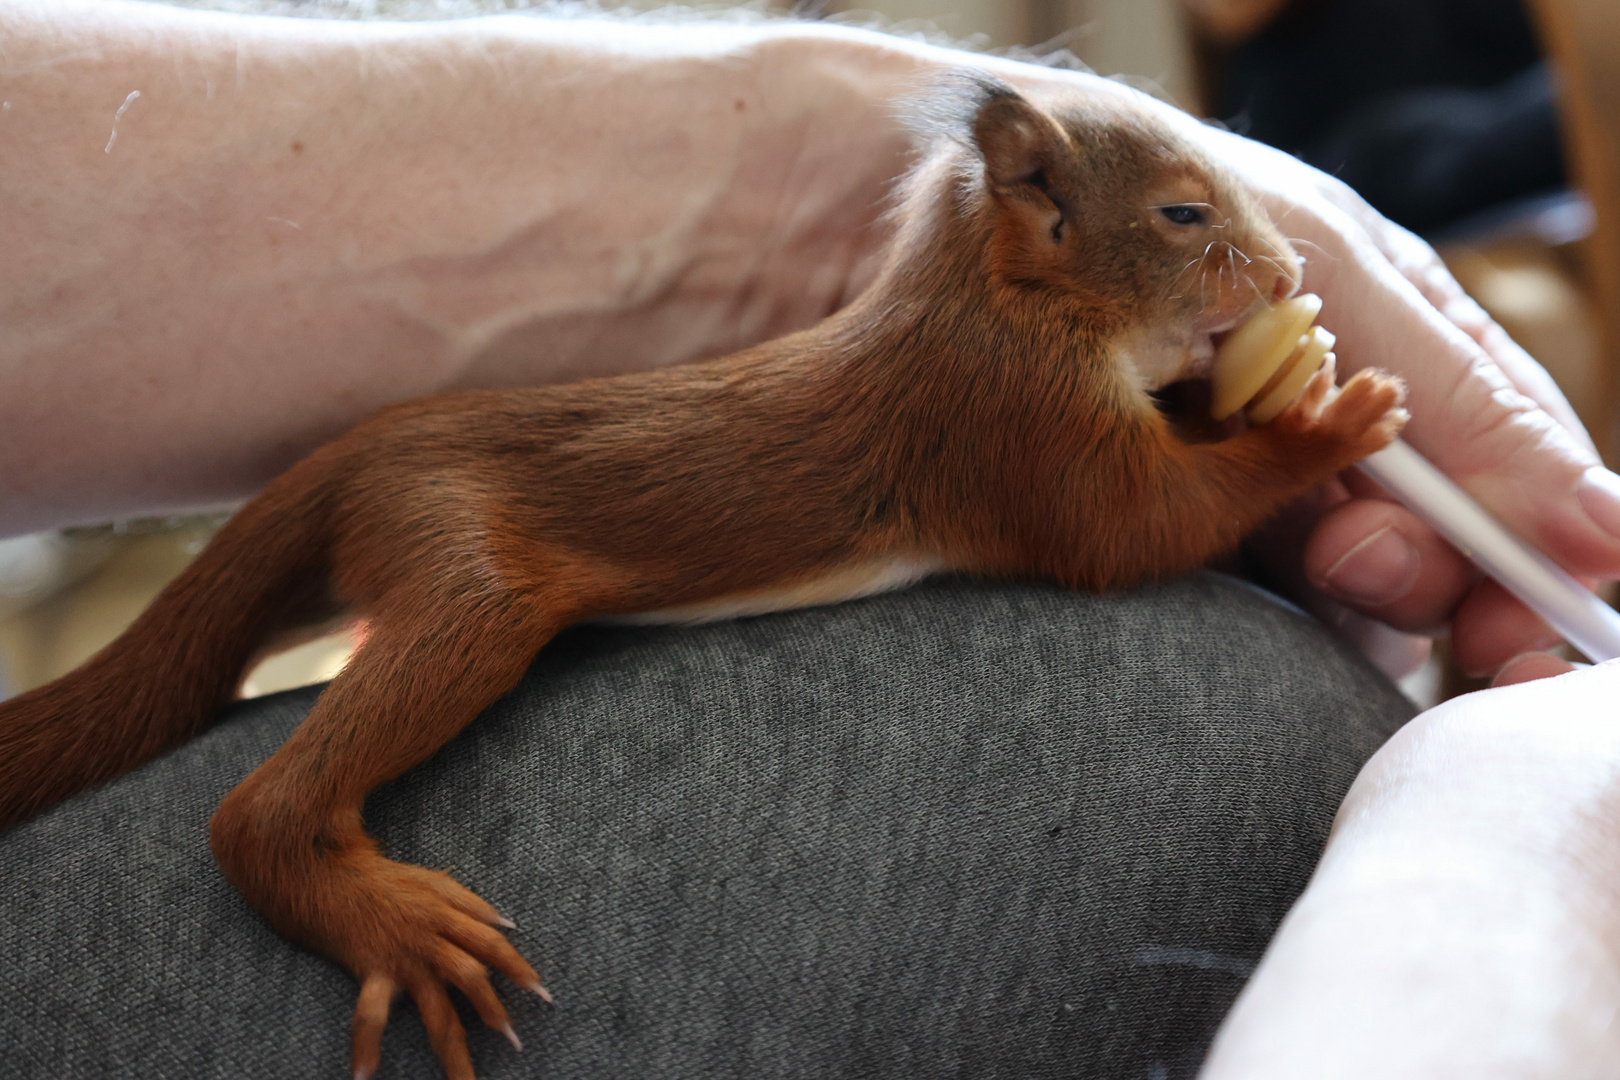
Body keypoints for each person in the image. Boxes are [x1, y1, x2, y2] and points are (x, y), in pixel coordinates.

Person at [1, 1, 1618, 1076]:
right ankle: (290, 828)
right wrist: (1290, 454)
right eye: (1197, 232)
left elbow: (1105, 497)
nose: (1258, 271)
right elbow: (1107, 536)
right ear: (1040, 231)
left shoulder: (1030, 349)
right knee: (496, 586)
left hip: (498, 462)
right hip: (471, 498)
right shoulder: (1016, 363)